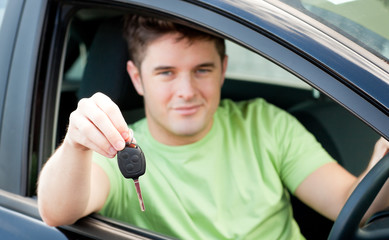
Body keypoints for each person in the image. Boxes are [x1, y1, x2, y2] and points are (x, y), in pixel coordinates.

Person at [37, 14, 389, 239]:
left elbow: (349, 202)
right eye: (166, 73)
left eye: (202, 70)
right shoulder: (117, 148)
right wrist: (76, 145)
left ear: (223, 69)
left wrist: (383, 160)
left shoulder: (265, 123)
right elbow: (55, 210)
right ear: (137, 77)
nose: (187, 92)